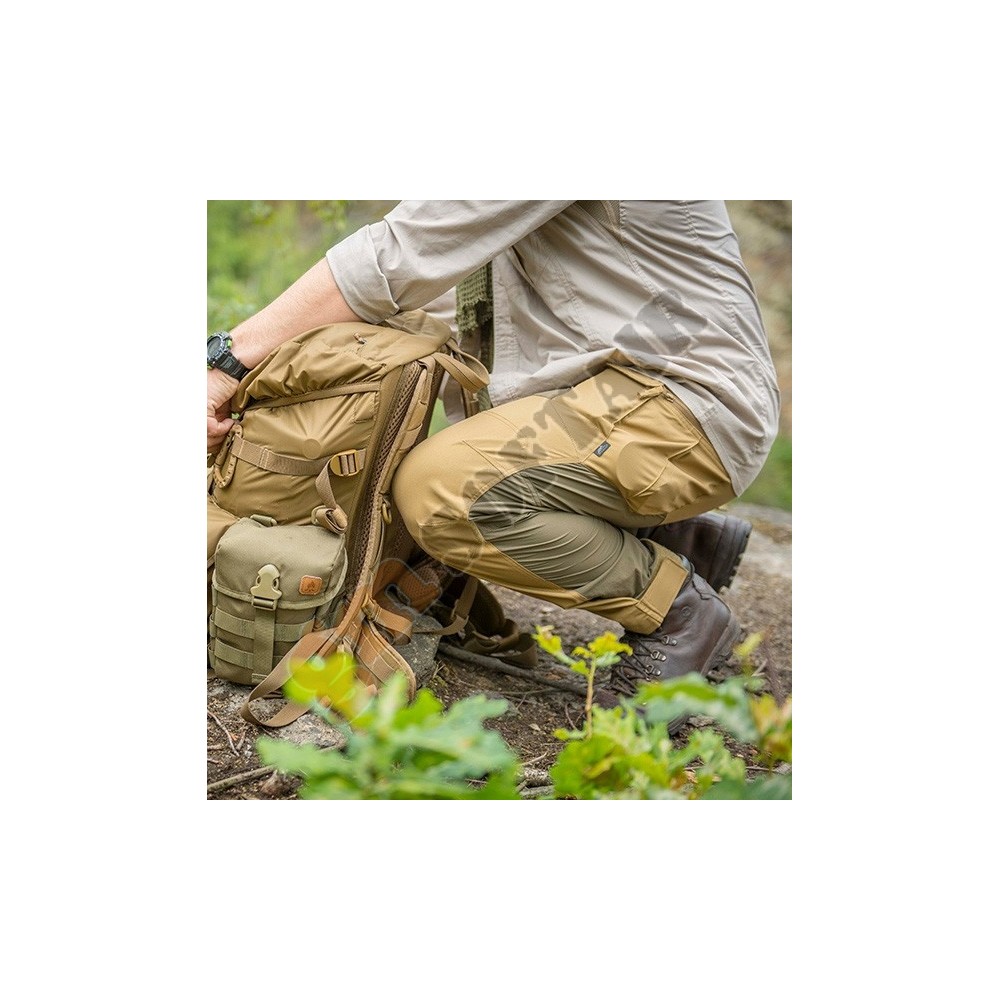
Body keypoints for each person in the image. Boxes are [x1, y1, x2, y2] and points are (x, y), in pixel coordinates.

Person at [207, 201, 779, 706]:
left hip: (684, 396)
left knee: (443, 490)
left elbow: (403, 253)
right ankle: (660, 534)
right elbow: (434, 304)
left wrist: (227, 364)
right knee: (405, 419)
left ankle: (678, 610)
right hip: (617, 386)